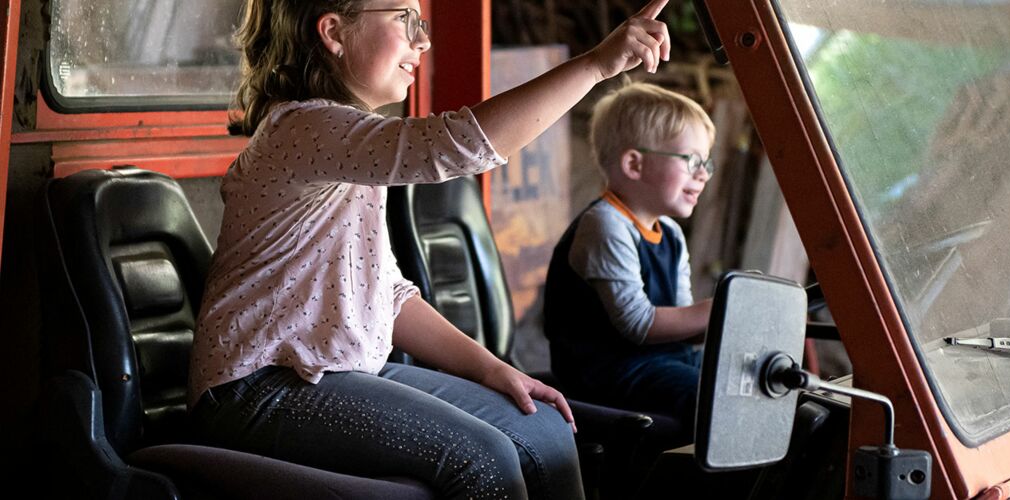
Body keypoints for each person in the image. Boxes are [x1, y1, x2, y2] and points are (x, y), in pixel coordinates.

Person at [186, 1, 673, 499]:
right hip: (256, 389)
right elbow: (456, 145)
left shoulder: (344, 145)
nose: (423, 40)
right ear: (333, 32)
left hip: (330, 373)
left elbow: (390, 296)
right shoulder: (303, 128)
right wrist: (596, 66)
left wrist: (495, 369)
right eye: (404, 19)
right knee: (484, 460)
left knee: (544, 428)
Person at [543, 82, 714, 434]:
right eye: (692, 160)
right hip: (609, 372)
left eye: (706, 162)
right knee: (714, 400)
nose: (704, 174)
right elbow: (638, 324)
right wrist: (718, 308)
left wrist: (727, 321)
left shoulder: (671, 233)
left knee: (743, 385)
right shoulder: (605, 224)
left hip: (662, 361)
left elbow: (681, 323)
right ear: (634, 164)